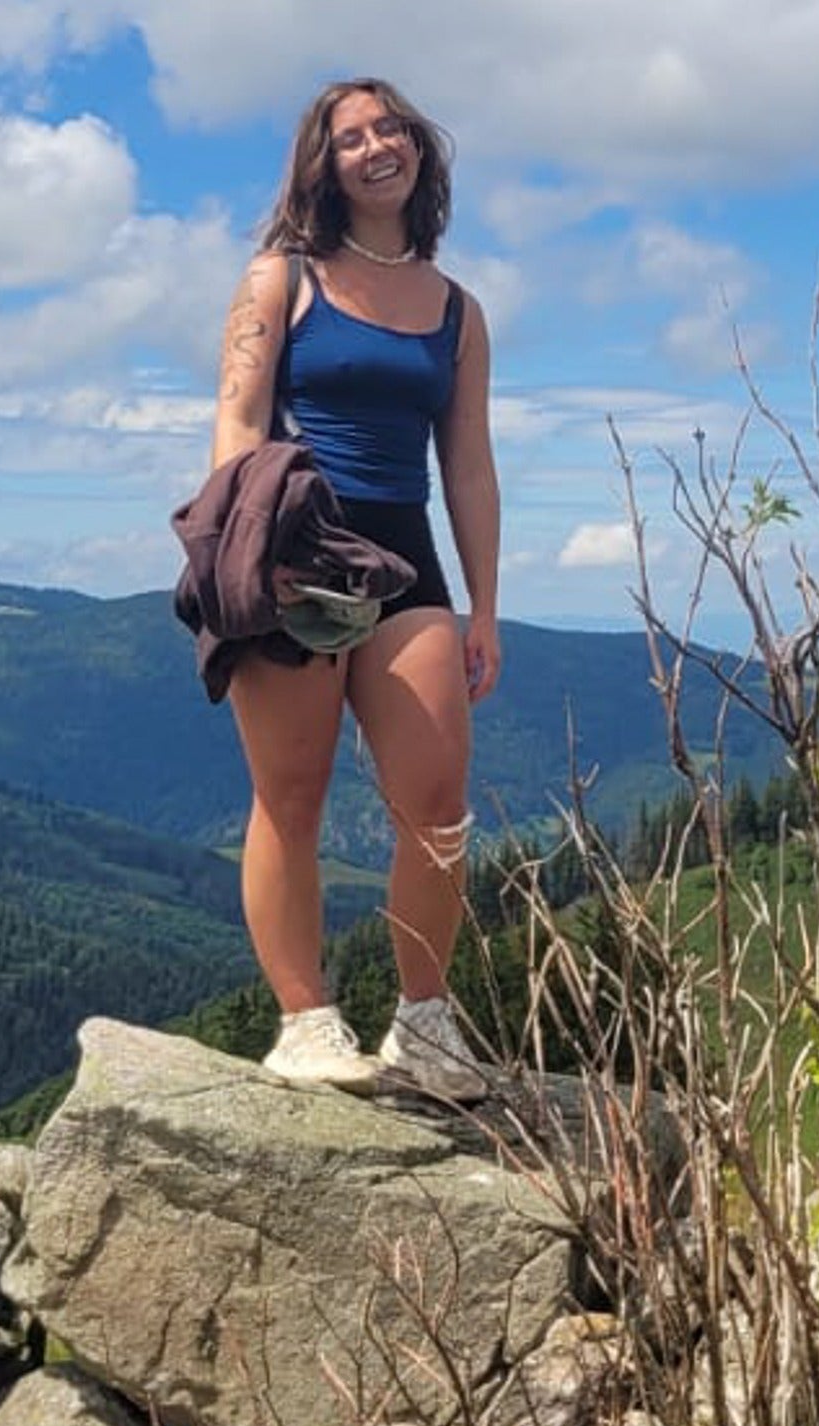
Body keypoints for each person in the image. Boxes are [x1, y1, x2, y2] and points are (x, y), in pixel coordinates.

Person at [205, 76, 501, 1100]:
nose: (377, 147)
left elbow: (469, 465)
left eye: (392, 129)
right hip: (297, 542)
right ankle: (304, 1022)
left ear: (419, 147)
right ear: (321, 166)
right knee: (291, 796)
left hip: (407, 556)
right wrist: (249, 548)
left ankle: (424, 1023)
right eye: (351, 137)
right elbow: (239, 420)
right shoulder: (279, 280)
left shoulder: (458, 312)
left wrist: (483, 606)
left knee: (438, 800)